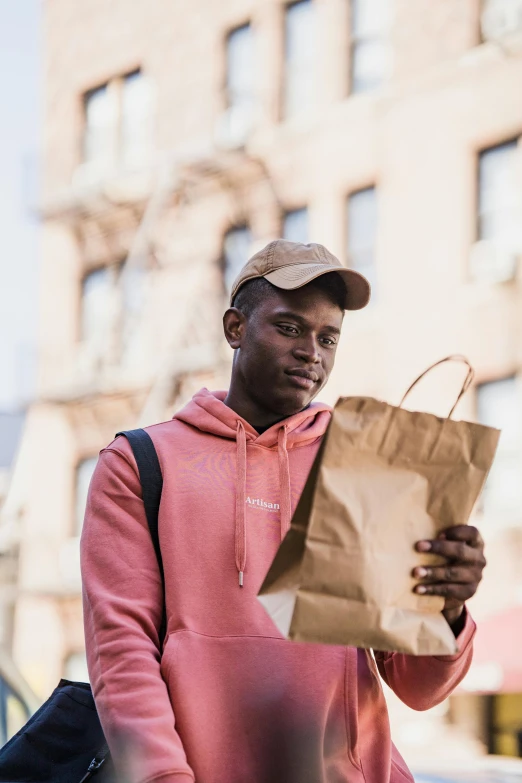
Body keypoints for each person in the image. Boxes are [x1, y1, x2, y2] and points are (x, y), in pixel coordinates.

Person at [81, 240, 485, 783]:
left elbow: (419, 686)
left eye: (328, 337)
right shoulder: (141, 462)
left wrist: (449, 612)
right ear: (235, 329)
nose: (311, 352)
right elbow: (121, 654)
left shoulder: (366, 468)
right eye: (290, 328)